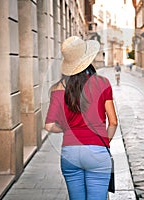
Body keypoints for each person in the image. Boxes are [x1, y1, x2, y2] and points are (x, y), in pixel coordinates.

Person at [44, 36, 118, 200]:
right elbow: (113, 122)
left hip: (69, 153)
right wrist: (104, 141)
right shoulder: (102, 83)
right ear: (88, 60)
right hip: (97, 151)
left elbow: (49, 126)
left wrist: (65, 128)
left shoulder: (57, 88)